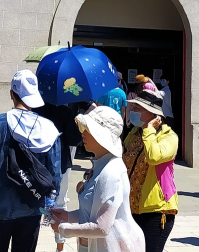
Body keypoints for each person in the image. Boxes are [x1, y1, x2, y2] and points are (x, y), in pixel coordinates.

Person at [0, 70, 62, 252]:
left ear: (11, 94)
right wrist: (50, 202)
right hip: (32, 205)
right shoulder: (49, 128)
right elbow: (54, 170)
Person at [51, 104, 146, 252]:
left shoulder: (110, 172)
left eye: (88, 129)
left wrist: (64, 229)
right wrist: (68, 216)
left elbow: (102, 227)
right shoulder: (101, 165)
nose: (82, 133)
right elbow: (93, 212)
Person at [125, 89, 179, 252]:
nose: (132, 111)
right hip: (132, 207)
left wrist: (149, 130)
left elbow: (154, 157)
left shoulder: (169, 137)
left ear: (151, 113)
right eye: (133, 107)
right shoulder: (134, 134)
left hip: (156, 209)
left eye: (137, 108)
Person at [33, 101, 82, 252]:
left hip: (37, 164)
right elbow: (75, 140)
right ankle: (60, 247)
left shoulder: (35, 110)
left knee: (34, 204)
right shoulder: (64, 112)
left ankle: (29, 244)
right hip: (60, 163)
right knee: (60, 203)